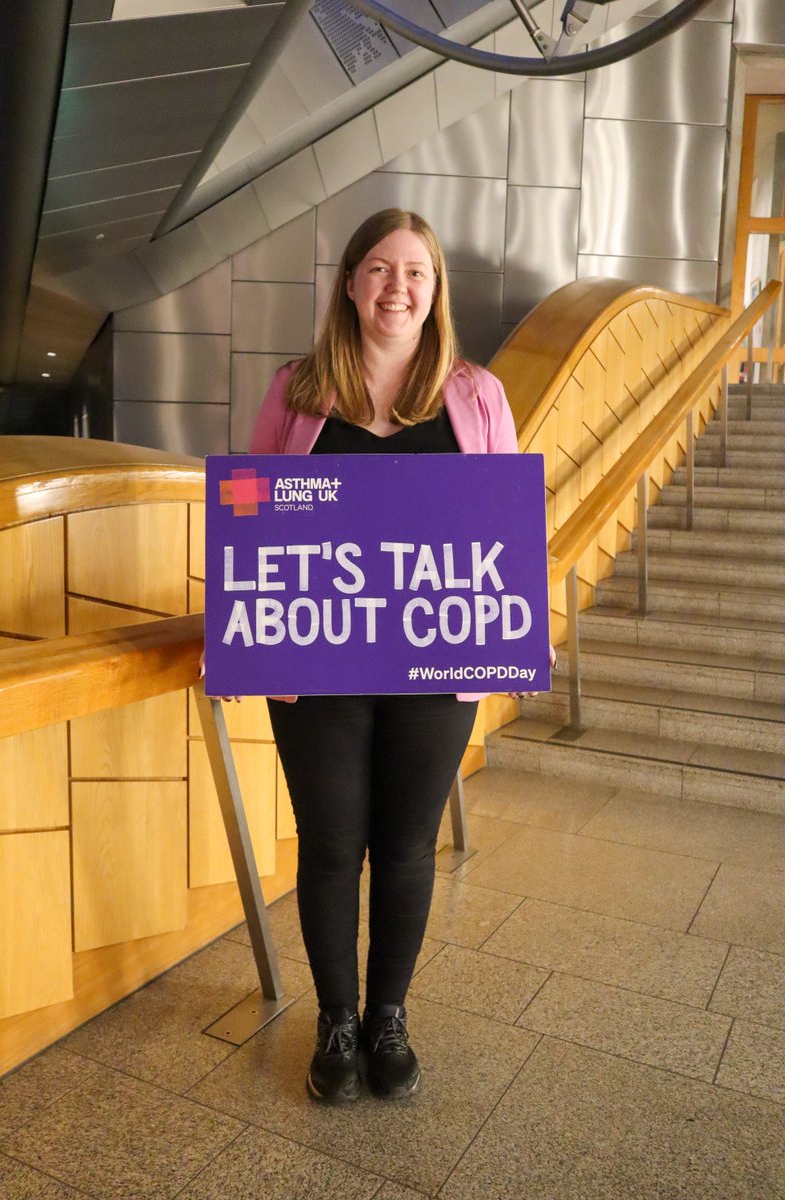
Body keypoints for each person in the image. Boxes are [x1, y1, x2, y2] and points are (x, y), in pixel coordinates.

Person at [248, 207, 548, 1105]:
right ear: (349, 283)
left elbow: (503, 529)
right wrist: (258, 646)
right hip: (318, 668)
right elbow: (253, 520)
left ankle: (389, 1017)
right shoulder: (297, 393)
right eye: (380, 269)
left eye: (415, 272)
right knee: (333, 845)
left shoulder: (477, 395)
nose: (398, 288)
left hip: (435, 668)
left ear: (435, 291)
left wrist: (493, 648)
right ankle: (335, 1022)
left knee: (408, 846)